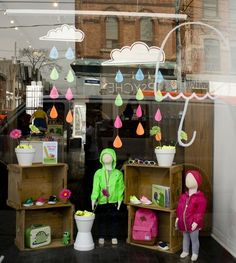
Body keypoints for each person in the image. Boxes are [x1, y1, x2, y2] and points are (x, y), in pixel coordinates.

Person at [91, 148, 124, 246]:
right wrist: (93, 199)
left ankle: (114, 236)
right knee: (101, 220)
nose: (106, 157)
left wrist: (119, 200)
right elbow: (95, 187)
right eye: (104, 155)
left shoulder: (118, 173)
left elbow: (120, 188)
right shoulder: (98, 173)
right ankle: (101, 236)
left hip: (113, 202)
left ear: (113, 158)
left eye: (109, 155)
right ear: (101, 158)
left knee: (114, 220)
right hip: (101, 202)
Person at [175, 170, 207, 262]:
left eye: (191, 178)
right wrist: (177, 218)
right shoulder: (183, 196)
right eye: (187, 178)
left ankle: (195, 253)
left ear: (197, 181)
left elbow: (200, 212)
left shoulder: (200, 198)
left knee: (194, 239)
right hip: (183, 222)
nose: (188, 180)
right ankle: (185, 251)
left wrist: (196, 222)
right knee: (185, 237)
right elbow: (180, 208)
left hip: (193, 223)